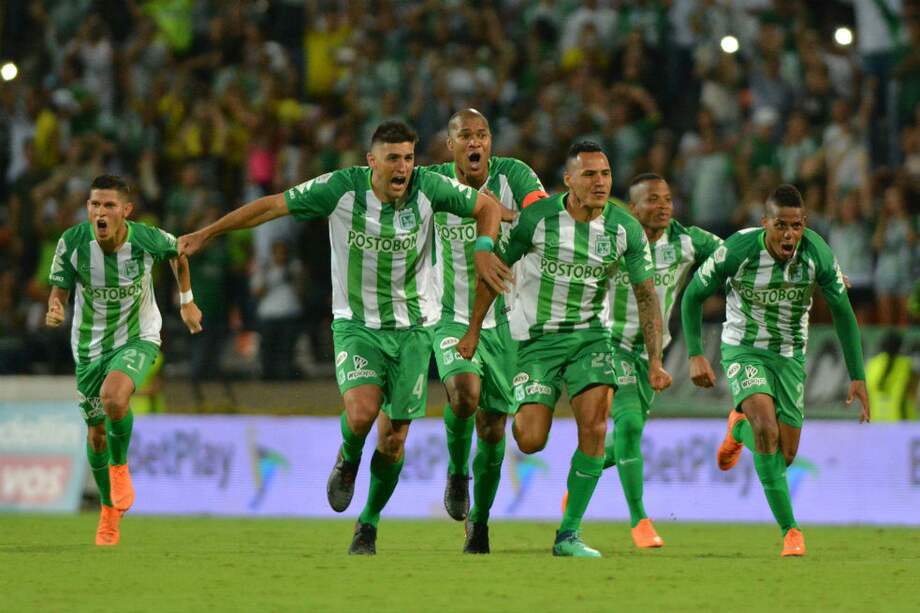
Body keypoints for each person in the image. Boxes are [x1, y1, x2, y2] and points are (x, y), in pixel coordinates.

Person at [178, 120, 506, 555]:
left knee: (393, 440)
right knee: (361, 412)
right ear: (372, 162)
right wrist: (208, 233)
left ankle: (367, 524)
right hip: (356, 326)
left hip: (412, 331)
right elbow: (273, 206)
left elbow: (488, 208)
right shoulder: (342, 188)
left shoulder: (430, 187)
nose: (403, 168)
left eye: (408, 158)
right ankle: (348, 458)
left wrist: (483, 249)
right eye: (393, 159)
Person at [458, 141, 671, 557]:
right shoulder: (538, 219)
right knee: (529, 439)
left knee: (594, 426)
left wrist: (656, 361)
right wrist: (473, 330)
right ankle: (480, 503)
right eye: (589, 174)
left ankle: (568, 535)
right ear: (568, 180)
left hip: (591, 337)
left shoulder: (624, 229)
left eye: (606, 174)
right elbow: (493, 272)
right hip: (536, 342)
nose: (600, 182)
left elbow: (647, 296)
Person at [680, 184, 871, 557]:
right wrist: (695, 353)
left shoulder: (817, 253)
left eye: (796, 226)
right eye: (781, 225)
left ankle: (737, 427)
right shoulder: (738, 250)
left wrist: (858, 375)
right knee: (766, 431)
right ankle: (791, 532)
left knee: (784, 455)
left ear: (805, 224)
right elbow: (692, 297)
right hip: (744, 349)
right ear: (764, 223)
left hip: (790, 356)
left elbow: (843, 313)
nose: (789, 235)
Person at [563, 173, 723, 548]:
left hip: (651, 351)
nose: (664, 205)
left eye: (667, 198)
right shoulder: (610, 238)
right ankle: (640, 520)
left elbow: (737, 254)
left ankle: (580, 478)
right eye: (653, 199)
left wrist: (826, 270)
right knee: (631, 427)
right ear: (633, 209)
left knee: (622, 439)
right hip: (607, 343)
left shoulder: (686, 241)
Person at [45, 174, 202, 546]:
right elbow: (59, 291)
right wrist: (54, 307)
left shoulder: (147, 238)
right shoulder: (72, 243)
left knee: (116, 397)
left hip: (138, 336)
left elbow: (178, 253)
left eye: (109, 205)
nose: (100, 212)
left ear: (125, 211)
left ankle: (120, 469)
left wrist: (187, 301)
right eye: (94, 205)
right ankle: (107, 511)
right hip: (89, 347)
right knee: (96, 433)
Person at [426, 108, 548, 553]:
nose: (475, 142)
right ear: (451, 144)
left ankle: (480, 520)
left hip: (507, 324)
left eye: (482, 135)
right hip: (450, 315)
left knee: (494, 428)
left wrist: (506, 213)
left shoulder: (514, 173)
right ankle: (459, 471)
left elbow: (542, 214)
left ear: (490, 142)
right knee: (463, 392)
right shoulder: (433, 181)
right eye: (465, 135)